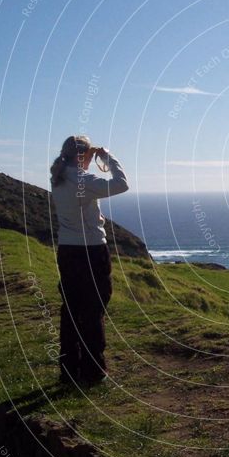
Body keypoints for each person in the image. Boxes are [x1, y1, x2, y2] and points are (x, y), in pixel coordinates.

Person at [49, 135, 129, 386]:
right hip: (91, 250)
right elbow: (121, 184)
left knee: (71, 310)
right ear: (83, 155)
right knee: (94, 309)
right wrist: (107, 156)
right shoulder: (82, 180)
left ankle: (70, 370)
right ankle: (93, 370)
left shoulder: (59, 178)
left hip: (68, 250)